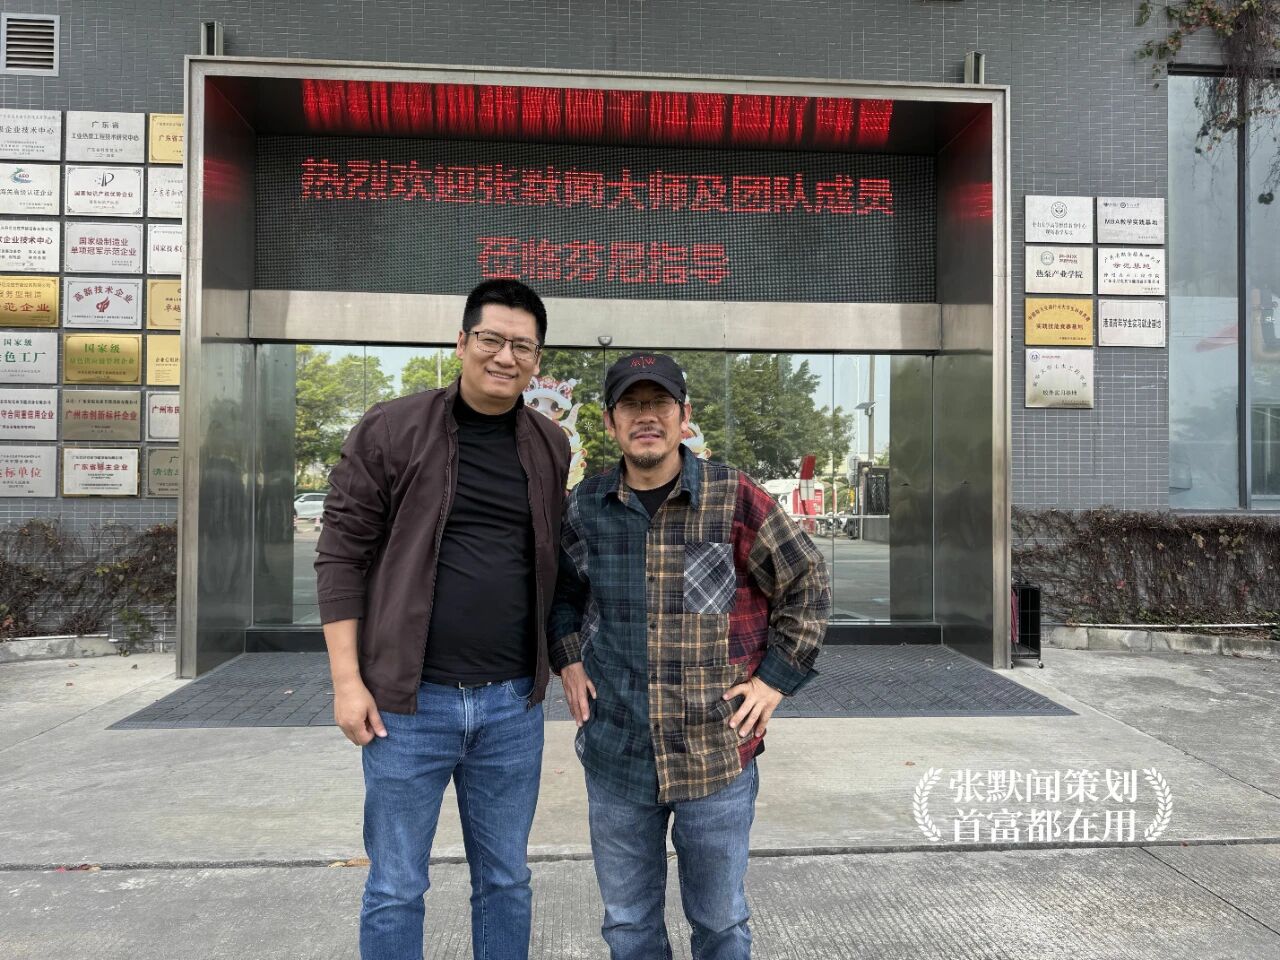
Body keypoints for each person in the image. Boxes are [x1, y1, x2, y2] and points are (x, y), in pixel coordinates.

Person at [315, 279, 570, 960]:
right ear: (461, 343)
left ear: (537, 360)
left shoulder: (549, 444)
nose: (505, 357)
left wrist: (564, 660)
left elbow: (554, 563)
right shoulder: (391, 429)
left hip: (512, 706)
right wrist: (347, 682)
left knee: (506, 880)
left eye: (522, 346)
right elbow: (340, 556)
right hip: (406, 706)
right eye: (491, 339)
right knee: (396, 885)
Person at [550, 352, 831, 960]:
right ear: (610, 422)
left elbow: (806, 582)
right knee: (628, 925)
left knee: (721, 922)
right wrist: (568, 658)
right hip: (617, 752)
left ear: (684, 416)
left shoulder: (734, 497)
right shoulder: (586, 505)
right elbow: (562, 593)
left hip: (715, 753)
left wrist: (774, 681)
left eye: (659, 403)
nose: (646, 416)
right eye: (631, 405)